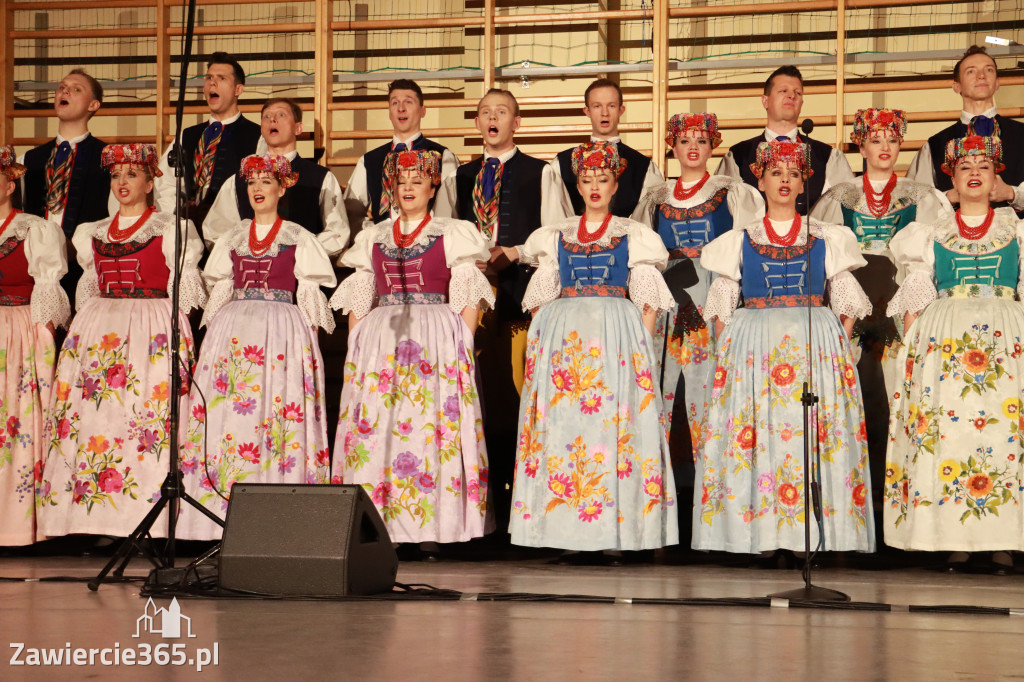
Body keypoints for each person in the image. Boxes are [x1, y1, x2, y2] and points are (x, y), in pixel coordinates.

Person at [694, 138, 874, 556]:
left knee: (806, 433)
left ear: (803, 182)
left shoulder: (827, 236)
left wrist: (835, 342)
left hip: (812, 346)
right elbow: (722, 304)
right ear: (761, 179)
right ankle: (762, 534)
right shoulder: (740, 240)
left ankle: (807, 536)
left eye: (794, 174)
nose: (785, 181)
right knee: (762, 433)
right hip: (756, 347)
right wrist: (732, 350)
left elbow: (846, 299)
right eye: (777, 173)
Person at [510, 141, 679, 554]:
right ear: (578, 186)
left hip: (615, 335)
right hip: (567, 342)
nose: (595, 188)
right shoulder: (557, 236)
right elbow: (540, 299)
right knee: (568, 431)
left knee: (613, 430)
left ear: (615, 185)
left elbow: (649, 302)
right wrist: (542, 346)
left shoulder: (633, 235)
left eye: (602, 180)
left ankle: (615, 533)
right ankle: (567, 531)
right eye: (587, 181)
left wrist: (639, 348)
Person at [36, 144, 205, 537]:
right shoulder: (90, 233)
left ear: (150, 181)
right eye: (116, 175)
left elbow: (185, 293)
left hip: (150, 326)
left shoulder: (171, 228)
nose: (122, 182)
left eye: (131, 174)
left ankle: (145, 519)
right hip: (100, 329)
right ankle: (93, 520)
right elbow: (90, 287)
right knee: (97, 418)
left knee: (144, 418)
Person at [331, 149, 493, 547]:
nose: (408, 189)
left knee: (426, 426)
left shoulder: (451, 233)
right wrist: (357, 343)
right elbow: (361, 295)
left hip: (433, 336)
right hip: (382, 338)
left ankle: (431, 529)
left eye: (417, 182)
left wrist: (462, 344)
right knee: (380, 426)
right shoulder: (374, 236)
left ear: (432, 186)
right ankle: (379, 523)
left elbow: (468, 295)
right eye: (401, 183)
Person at [177, 154, 336, 539]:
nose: (258, 190)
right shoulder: (231, 238)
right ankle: (215, 515)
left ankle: (279, 517)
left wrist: (307, 360)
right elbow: (218, 292)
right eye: (252, 183)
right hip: (233, 331)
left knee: (275, 416)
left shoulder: (298, 237)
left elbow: (311, 301)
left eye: (266, 182)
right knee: (229, 414)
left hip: (281, 329)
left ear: (282, 189)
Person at [885, 133, 1024, 574]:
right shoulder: (929, 233)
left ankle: (1003, 541)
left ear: (996, 173)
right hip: (945, 339)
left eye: (983, 166)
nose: (975, 174)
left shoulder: (1017, 228)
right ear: (953, 178)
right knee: (950, 434)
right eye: (965, 168)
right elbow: (916, 298)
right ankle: (951, 538)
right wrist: (911, 354)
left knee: (1003, 435)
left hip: (1005, 337)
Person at [812, 109, 952, 507]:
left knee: (894, 388)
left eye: (892, 139)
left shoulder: (922, 195)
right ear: (861, 144)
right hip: (854, 296)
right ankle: (852, 493)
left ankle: (896, 493)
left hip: (897, 297)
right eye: (876, 140)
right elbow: (820, 250)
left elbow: (933, 255)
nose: (885, 147)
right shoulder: (839, 195)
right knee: (856, 387)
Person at [434, 88, 557, 535]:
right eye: (485, 112)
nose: (493, 119)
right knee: (473, 396)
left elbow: (552, 235)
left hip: (516, 296)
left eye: (501, 112)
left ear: (516, 122)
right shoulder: (459, 176)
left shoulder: (540, 172)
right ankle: (475, 510)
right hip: (468, 299)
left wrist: (517, 251)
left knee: (515, 398)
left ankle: (515, 512)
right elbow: (443, 231)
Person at [632, 112, 763, 484]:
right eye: (685, 141)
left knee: (715, 384)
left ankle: (720, 487)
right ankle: (660, 489)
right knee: (660, 387)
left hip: (714, 293)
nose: (693, 148)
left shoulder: (733, 191)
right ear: (672, 146)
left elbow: (748, 247)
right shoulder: (655, 198)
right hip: (668, 294)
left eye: (701, 141)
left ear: (712, 146)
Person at [0, 147, 70, 546]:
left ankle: (18, 526)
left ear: (10, 184)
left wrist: (42, 346)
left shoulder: (33, 229)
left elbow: (46, 294)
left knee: (18, 426)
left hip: (17, 331)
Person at [205, 98, 350, 258]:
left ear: (298, 128)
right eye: (266, 116)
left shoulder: (321, 178)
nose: (272, 119)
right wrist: (245, 253)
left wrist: (299, 252)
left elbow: (338, 233)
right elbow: (215, 230)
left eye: (281, 114)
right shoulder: (239, 179)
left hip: (301, 271)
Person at [20, 69, 110, 307]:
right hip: (36, 269)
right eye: (61, 86)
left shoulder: (107, 157)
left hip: (84, 265)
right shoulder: (30, 158)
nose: (64, 90)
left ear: (93, 105)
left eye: (75, 88)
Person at [716, 66, 854, 216]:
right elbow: (723, 212)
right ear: (765, 101)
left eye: (798, 93)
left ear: (801, 103)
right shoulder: (738, 156)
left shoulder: (828, 157)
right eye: (783, 91)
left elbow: (842, 214)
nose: (792, 96)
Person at [906, 45, 1024, 214]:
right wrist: (950, 197)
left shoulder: (1022, 135)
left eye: (989, 70)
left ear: (997, 83)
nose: (981, 75)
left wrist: (1013, 194)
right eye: (971, 71)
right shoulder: (935, 145)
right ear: (957, 86)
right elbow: (917, 202)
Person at [153, 52, 261, 236]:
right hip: (191, 234)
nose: (212, 83)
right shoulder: (187, 135)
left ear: (238, 89)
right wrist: (175, 221)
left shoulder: (257, 135)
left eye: (221, 78)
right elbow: (166, 182)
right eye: (209, 77)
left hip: (234, 233)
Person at [343, 79, 460, 231]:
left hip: (428, 244)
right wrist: (373, 234)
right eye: (395, 103)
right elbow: (352, 213)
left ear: (422, 110)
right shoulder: (369, 160)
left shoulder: (443, 157)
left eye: (408, 102)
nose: (401, 108)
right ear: (389, 112)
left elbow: (449, 213)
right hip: (383, 246)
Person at [545, 78, 664, 219]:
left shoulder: (643, 167)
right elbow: (554, 220)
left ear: (621, 110)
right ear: (587, 111)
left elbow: (648, 225)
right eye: (597, 106)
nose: (604, 113)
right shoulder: (562, 163)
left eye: (611, 106)